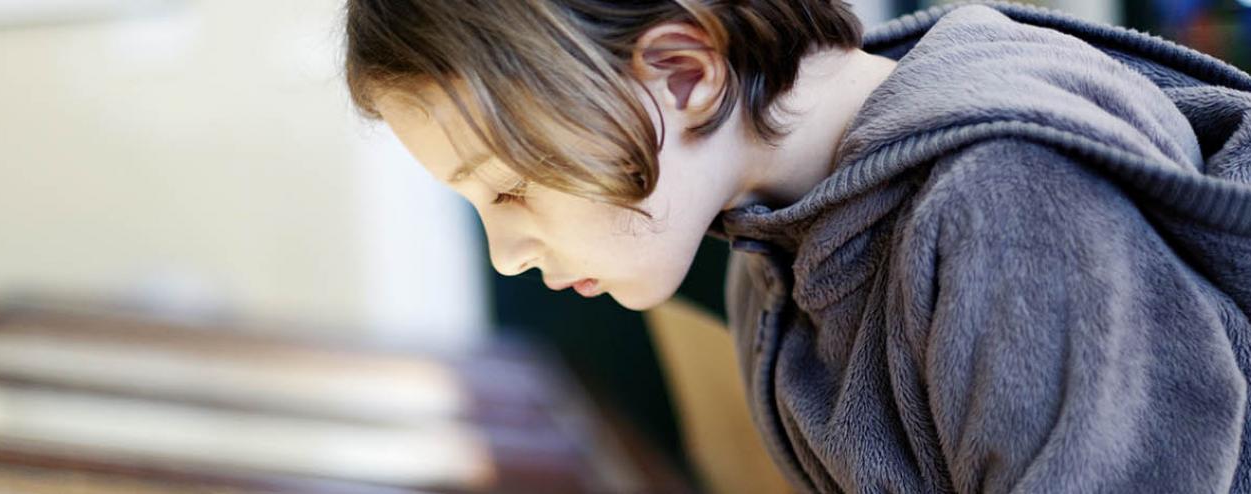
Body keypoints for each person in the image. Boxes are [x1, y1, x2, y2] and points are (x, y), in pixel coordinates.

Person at [343, 0, 1251, 491]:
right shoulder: (771, 262)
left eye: (510, 186)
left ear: (683, 73)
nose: (505, 253)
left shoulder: (1011, 201)